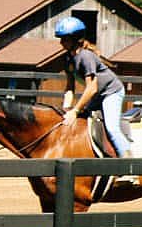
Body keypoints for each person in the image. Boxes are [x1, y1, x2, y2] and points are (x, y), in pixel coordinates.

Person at [56, 16, 137, 182]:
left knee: (112, 128)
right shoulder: (68, 59)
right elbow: (70, 87)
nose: (61, 43)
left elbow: (91, 87)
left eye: (65, 39)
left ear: (76, 39)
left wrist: (76, 110)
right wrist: (66, 108)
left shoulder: (86, 57)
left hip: (110, 92)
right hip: (96, 95)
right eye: (61, 39)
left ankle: (131, 170)